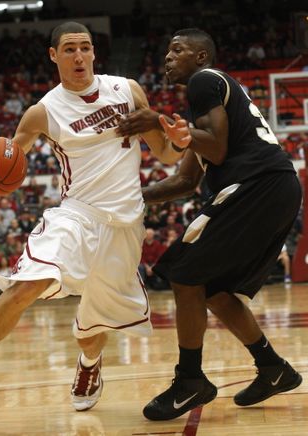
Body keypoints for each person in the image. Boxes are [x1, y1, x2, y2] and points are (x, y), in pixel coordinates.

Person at [0, 22, 190, 415]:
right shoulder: (42, 112)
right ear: (53, 55)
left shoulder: (127, 90)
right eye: (70, 49)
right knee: (28, 282)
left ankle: (89, 366)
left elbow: (166, 155)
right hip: (76, 215)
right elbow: (6, 168)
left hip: (125, 224)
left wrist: (178, 143)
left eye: (86, 47)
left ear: (94, 52)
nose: (79, 56)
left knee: (94, 327)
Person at [116, 28, 303, 421]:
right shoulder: (204, 115)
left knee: (184, 274)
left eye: (177, 49)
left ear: (201, 57)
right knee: (215, 290)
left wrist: (162, 122)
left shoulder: (204, 81)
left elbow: (214, 146)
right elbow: (185, 181)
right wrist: (131, 196)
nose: (167, 57)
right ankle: (272, 369)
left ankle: (190, 380)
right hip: (275, 187)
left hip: (257, 184)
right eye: (167, 50)